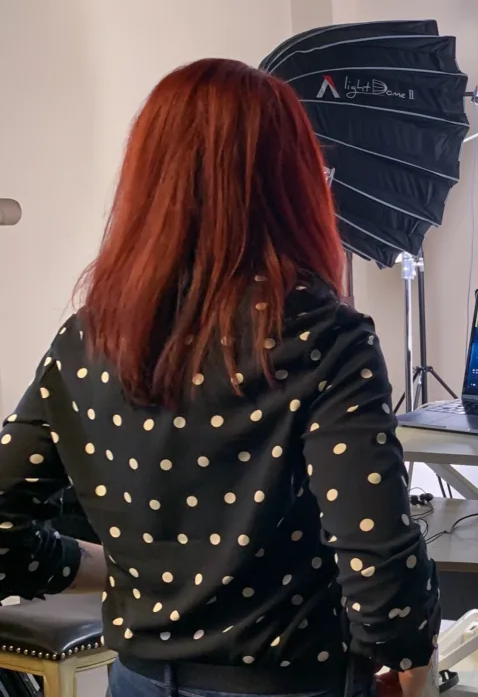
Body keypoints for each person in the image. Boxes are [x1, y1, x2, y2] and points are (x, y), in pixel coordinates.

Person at [0, 59, 437, 697]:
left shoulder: (87, 338)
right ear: (291, 182)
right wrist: (405, 657)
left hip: (137, 680)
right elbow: (378, 566)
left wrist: (107, 571)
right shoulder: (325, 337)